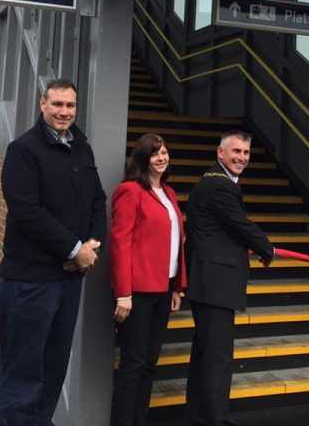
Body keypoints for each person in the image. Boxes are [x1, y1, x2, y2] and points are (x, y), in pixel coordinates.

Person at [0, 78, 107, 426]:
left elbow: (97, 201)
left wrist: (91, 245)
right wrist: (75, 249)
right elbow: (27, 211)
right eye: (57, 104)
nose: (64, 112)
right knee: (23, 376)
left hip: (68, 281)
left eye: (70, 105)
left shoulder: (82, 150)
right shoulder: (23, 150)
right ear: (43, 104)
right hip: (29, 283)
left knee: (53, 370)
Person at [184, 130, 275, 426]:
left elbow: (225, 228)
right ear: (220, 153)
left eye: (246, 153)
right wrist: (266, 247)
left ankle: (201, 417)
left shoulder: (215, 182)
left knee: (205, 355)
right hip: (215, 282)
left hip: (210, 281)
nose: (241, 158)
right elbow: (240, 223)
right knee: (217, 359)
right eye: (236, 151)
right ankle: (216, 420)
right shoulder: (219, 186)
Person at [109, 133, 186, 426]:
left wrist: (177, 286)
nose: (161, 158)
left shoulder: (169, 193)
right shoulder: (130, 191)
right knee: (133, 365)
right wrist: (123, 293)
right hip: (137, 293)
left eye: (164, 152)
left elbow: (175, 242)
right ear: (142, 159)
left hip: (164, 288)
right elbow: (120, 243)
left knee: (150, 364)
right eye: (155, 154)